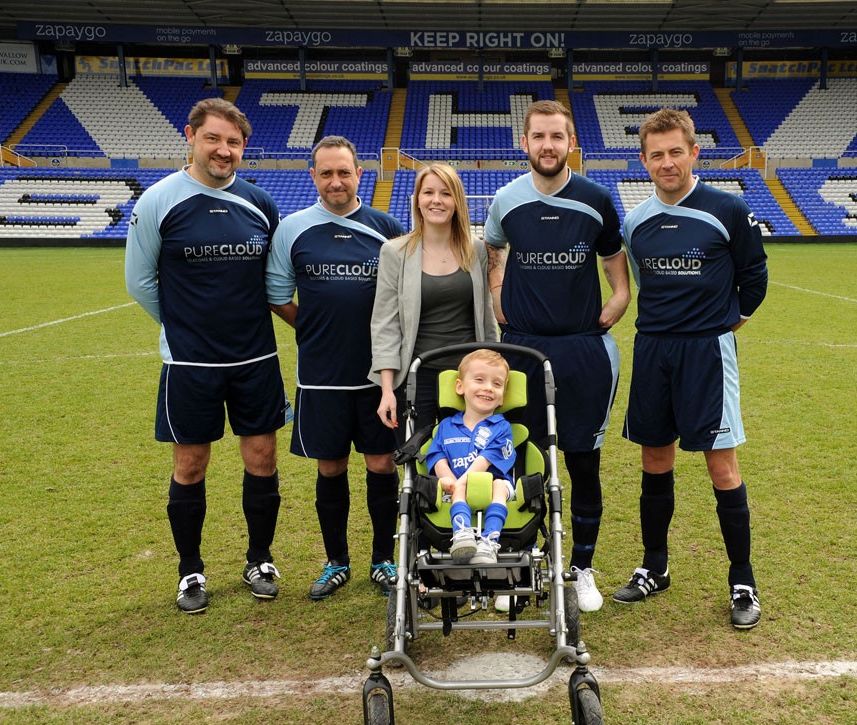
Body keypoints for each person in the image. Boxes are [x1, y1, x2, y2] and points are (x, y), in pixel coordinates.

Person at [125, 98, 290, 614]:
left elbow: (273, 282)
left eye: (233, 142)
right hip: (190, 364)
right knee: (191, 465)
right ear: (191, 136)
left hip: (256, 357)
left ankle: (259, 558)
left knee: (262, 458)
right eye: (213, 139)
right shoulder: (158, 200)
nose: (223, 150)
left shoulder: (260, 203)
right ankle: (190, 570)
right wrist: (184, 327)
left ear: (243, 148)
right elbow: (140, 282)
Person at [613, 108, 768, 630]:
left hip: (707, 351)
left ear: (694, 152)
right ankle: (654, 567)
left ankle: (742, 581)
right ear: (644, 161)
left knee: (721, 466)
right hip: (654, 349)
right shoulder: (635, 222)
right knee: (655, 460)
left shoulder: (726, 208)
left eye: (675, 151)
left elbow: (755, 276)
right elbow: (640, 282)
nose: (667, 162)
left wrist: (725, 325)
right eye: (656, 155)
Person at [484, 100, 631, 612]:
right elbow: (493, 252)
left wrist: (617, 301)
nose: (548, 146)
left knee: (582, 461)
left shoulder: (596, 199)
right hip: (521, 348)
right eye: (539, 137)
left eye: (557, 137)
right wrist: (499, 296)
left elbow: (615, 264)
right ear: (524, 143)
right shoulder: (505, 200)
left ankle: (581, 568)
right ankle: (519, 565)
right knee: (519, 458)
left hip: (583, 350)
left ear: (572, 144)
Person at [266, 136, 405, 601]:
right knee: (330, 468)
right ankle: (336, 561)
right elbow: (278, 294)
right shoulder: (294, 229)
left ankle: (383, 560)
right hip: (320, 377)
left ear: (359, 174)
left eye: (344, 172)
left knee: (382, 464)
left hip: (380, 377)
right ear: (313, 177)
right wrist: (312, 330)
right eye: (326, 173)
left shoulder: (386, 226)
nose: (336, 181)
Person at [370, 162, 499, 435]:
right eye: (428, 192)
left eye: (445, 193)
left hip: (468, 379)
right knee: (417, 469)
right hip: (417, 377)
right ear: (417, 200)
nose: (436, 200)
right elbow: (385, 325)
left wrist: (494, 371)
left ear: (457, 201)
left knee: (469, 465)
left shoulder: (475, 249)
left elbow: (486, 316)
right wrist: (387, 390)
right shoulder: (395, 252)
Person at [425, 349, 516, 565]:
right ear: (460, 386)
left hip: (494, 487)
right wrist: (447, 480)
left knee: (499, 485)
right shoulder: (446, 426)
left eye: (497, 384)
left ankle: (488, 541)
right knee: (459, 488)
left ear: (503, 395)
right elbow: (437, 455)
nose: (488, 388)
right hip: (455, 490)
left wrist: (458, 484)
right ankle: (463, 535)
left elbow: (483, 462)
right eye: (479, 380)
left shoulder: (501, 427)